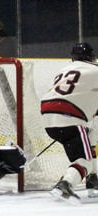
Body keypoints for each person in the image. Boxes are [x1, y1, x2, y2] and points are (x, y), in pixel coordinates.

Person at [40, 42, 98, 205]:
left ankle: (92, 178)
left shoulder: (63, 70)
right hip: (69, 115)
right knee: (83, 160)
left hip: (48, 116)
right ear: (92, 57)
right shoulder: (95, 70)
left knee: (90, 133)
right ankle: (65, 185)